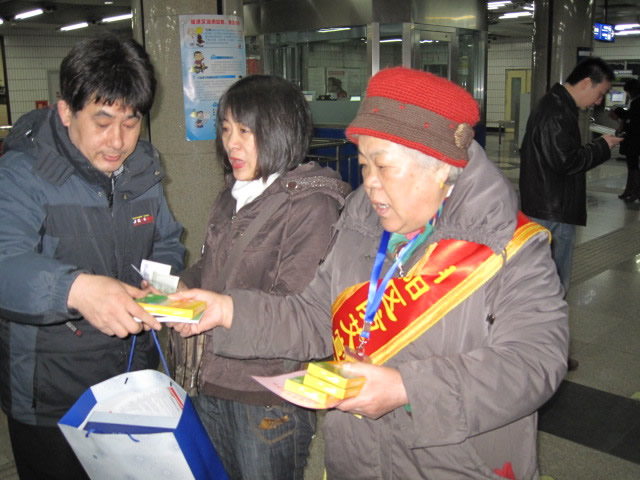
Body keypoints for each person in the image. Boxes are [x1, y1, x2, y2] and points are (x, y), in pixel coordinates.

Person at [170, 67, 569, 480]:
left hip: (458, 465)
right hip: (357, 460)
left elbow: (535, 360)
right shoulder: (358, 227)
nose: (370, 184)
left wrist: (407, 388)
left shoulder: (509, 247)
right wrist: (227, 311)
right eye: (363, 165)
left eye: (384, 166)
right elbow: (313, 317)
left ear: (440, 168)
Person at [0, 35, 185, 479]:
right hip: (51, 396)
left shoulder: (142, 168)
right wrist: (76, 290)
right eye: (102, 122)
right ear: (66, 111)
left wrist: (159, 284)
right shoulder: (22, 173)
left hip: (130, 380)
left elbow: (166, 239)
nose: (117, 141)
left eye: (131, 122)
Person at [175, 74, 350, 480]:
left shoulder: (312, 206)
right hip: (210, 379)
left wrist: (224, 309)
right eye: (226, 129)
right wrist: (183, 284)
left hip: (266, 397)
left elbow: (301, 312)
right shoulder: (233, 193)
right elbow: (214, 267)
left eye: (246, 131)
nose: (231, 144)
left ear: (281, 132)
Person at [519, 57, 624, 295]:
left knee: (543, 281)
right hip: (552, 210)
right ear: (586, 83)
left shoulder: (557, 106)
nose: (598, 101)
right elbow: (567, 162)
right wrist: (602, 146)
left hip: (548, 204)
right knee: (552, 284)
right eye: (600, 94)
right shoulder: (557, 111)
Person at [612, 79, 640, 201]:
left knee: (633, 165)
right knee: (632, 165)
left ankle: (634, 191)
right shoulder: (635, 101)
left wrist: (617, 110)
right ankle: (630, 190)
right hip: (634, 138)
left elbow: (630, 117)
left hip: (634, 139)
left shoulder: (636, 103)